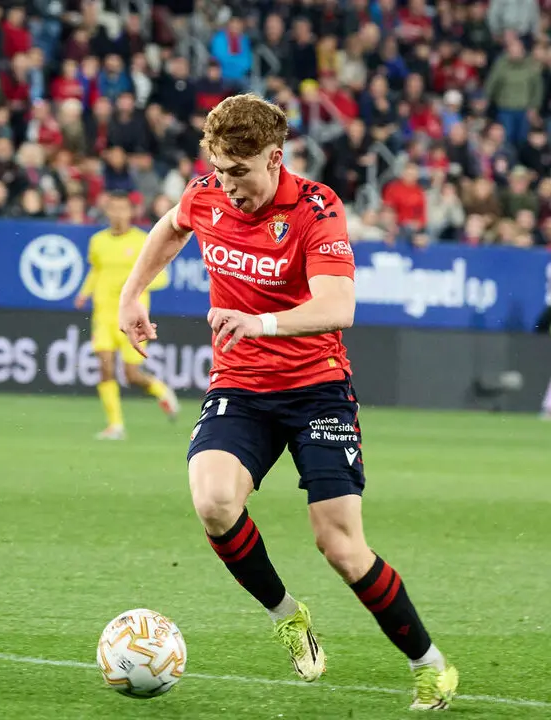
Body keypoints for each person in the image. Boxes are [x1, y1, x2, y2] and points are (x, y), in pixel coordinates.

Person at [114, 94, 458, 710]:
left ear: (275, 159)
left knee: (340, 547)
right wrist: (133, 294)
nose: (228, 186)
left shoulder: (316, 207)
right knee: (214, 502)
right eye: (219, 170)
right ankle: (287, 615)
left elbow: (339, 307)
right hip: (241, 388)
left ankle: (430, 664)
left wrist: (261, 322)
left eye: (240, 172)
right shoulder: (207, 193)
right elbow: (170, 228)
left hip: (316, 389)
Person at [74, 191, 180, 440]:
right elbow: (96, 270)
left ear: (131, 212)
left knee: (131, 375)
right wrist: (84, 293)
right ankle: (115, 425)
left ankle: (161, 390)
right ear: (107, 211)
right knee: (105, 368)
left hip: (132, 318)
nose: (118, 214)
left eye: (123, 209)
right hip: (103, 314)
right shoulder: (98, 241)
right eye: (113, 208)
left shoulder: (144, 240)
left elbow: (162, 277)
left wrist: (133, 286)